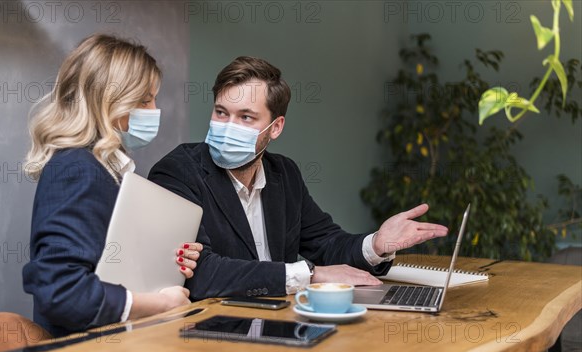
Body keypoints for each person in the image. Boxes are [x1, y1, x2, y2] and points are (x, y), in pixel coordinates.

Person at [149, 56, 448, 300]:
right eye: (221, 113)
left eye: (246, 117)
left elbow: (326, 243)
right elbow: (202, 274)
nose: (229, 126)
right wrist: (310, 275)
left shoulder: (284, 175)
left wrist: (377, 244)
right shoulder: (177, 172)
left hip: (281, 322)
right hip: (214, 334)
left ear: (275, 127)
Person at [22, 34, 202, 337]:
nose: (154, 109)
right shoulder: (77, 169)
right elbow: (61, 290)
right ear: (109, 102)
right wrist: (157, 303)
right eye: (145, 99)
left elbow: (104, 265)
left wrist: (165, 259)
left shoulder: (103, 170)